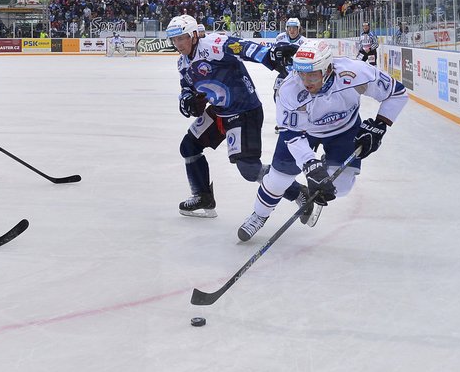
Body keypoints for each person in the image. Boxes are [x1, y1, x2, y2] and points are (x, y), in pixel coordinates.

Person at [237, 40, 408, 241]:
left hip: (345, 130)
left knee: (341, 188)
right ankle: (259, 214)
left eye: (312, 74)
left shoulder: (355, 72)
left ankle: (327, 164)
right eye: (302, 73)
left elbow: (397, 93)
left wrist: (380, 125)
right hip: (303, 132)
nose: (306, 80)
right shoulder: (289, 89)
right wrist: (310, 165)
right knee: (278, 179)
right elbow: (292, 135)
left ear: (327, 69)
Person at [167, 14, 297, 218]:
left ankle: (300, 193)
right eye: (174, 39)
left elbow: (243, 47)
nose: (177, 44)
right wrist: (186, 98)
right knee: (189, 147)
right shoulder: (183, 63)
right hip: (219, 112)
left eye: (181, 38)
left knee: (249, 169)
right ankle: (203, 196)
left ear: (193, 35)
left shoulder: (213, 45)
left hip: (243, 111)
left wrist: (270, 55)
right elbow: (187, 86)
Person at [273, 18, 307, 99]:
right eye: (289, 28)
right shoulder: (280, 38)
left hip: (298, 74)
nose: (292, 31)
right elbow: (274, 54)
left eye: (294, 28)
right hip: (283, 72)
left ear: (299, 28)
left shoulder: (304, 42)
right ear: (286, 28)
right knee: (277, 94)